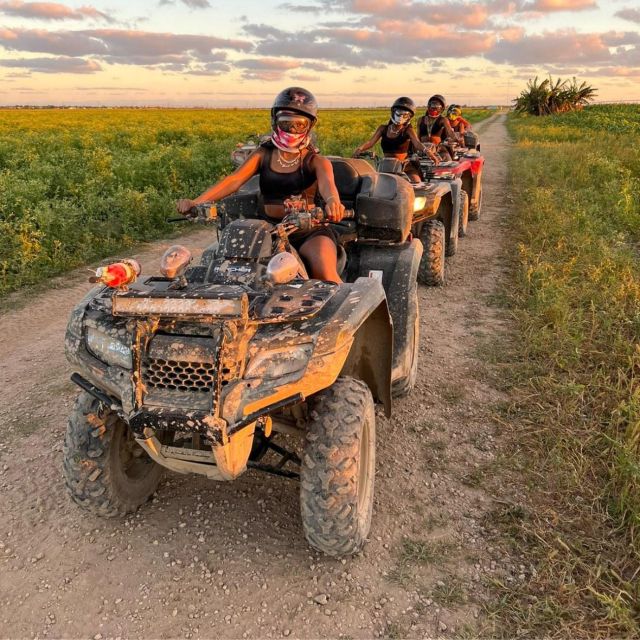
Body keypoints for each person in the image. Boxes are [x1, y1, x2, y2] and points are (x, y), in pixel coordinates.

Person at [177, 87, 346, 283]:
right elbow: (234, 180)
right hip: (267, 231)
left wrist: (333, 202)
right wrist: (196, 202)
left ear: (309, 126)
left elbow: (328, 187)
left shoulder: (316, 161)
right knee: (220, 268)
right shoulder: (263, 153)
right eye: (286, 122)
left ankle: (345, 308)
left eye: (299, 124)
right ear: (275, 121)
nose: (292, 129)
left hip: (308, 232)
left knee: (325, 273)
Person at [352, 97, 438, 183]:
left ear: (409, 117)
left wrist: (429, 152)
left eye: (405, 114)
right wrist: (359, 149)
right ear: (393, 112)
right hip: (385, 166)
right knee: (371, 185)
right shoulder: (383, 128)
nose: (401, 116)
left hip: (405, 166)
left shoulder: (408, 130)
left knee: (417, 183)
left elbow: (417, 143)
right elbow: (370, 142)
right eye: (399, 113)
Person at [417, 94, 457, 161]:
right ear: (429, 106)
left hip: (438, 148)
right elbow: (418, 137)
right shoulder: (420, 119)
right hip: (423, 149)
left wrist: (456, 138)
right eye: (432, 105)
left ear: (442, 108)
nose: (434, 108)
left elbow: (450, 131)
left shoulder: (443, 119)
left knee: (448, 163)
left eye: (437, 106)